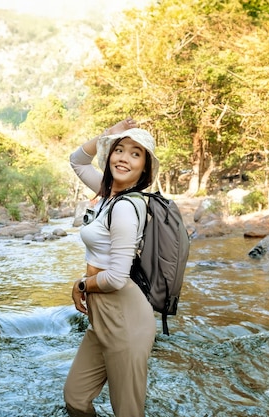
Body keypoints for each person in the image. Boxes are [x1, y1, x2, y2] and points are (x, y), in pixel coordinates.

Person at [64, 118, 160, 417]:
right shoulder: (108, 195)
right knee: (76, 398)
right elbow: (77, 160)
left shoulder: (126, 208)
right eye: (119, 150)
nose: (124, 158)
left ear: (144, 168)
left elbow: (117, 277)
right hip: (101, 316)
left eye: (136, 153)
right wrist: (106, 135)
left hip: (125, 318)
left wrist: (82, 285)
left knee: (127, 412)